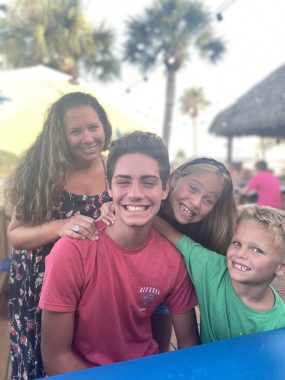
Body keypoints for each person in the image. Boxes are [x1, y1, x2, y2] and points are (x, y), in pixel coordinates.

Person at [39, 131, 199, 375]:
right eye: (123, 181)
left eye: (148, 181)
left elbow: (188, 345)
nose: (135, 193)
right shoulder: (72, 252)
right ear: (109, 186)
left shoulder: (173, 259)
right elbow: (56, 357)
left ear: (165, 188)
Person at [5, 92, 113, 380]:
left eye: (94, 127)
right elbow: (15, 235)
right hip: (40, 288)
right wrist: (59, 226)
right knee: (44, 363)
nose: (88, 137)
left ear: (104, 125)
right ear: (60, 136)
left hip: (94, 286)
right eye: (75, 131)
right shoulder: (43, 171)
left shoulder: (116, 168)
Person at [102, 156, 237, 350]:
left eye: (208, 200)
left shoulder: (212, 232)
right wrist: (117, 207)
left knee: (159, 346)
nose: (196, 202)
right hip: (134, 278)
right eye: (193, 188)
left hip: (172, 287)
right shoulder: (150, 199)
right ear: (173, 180)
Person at [153, 204, 285, 343]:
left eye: (257, 250)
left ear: (281, 267)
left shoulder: (278, 324)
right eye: (237, 243)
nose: (240, 254)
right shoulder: (211, 267)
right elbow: (176, 237)